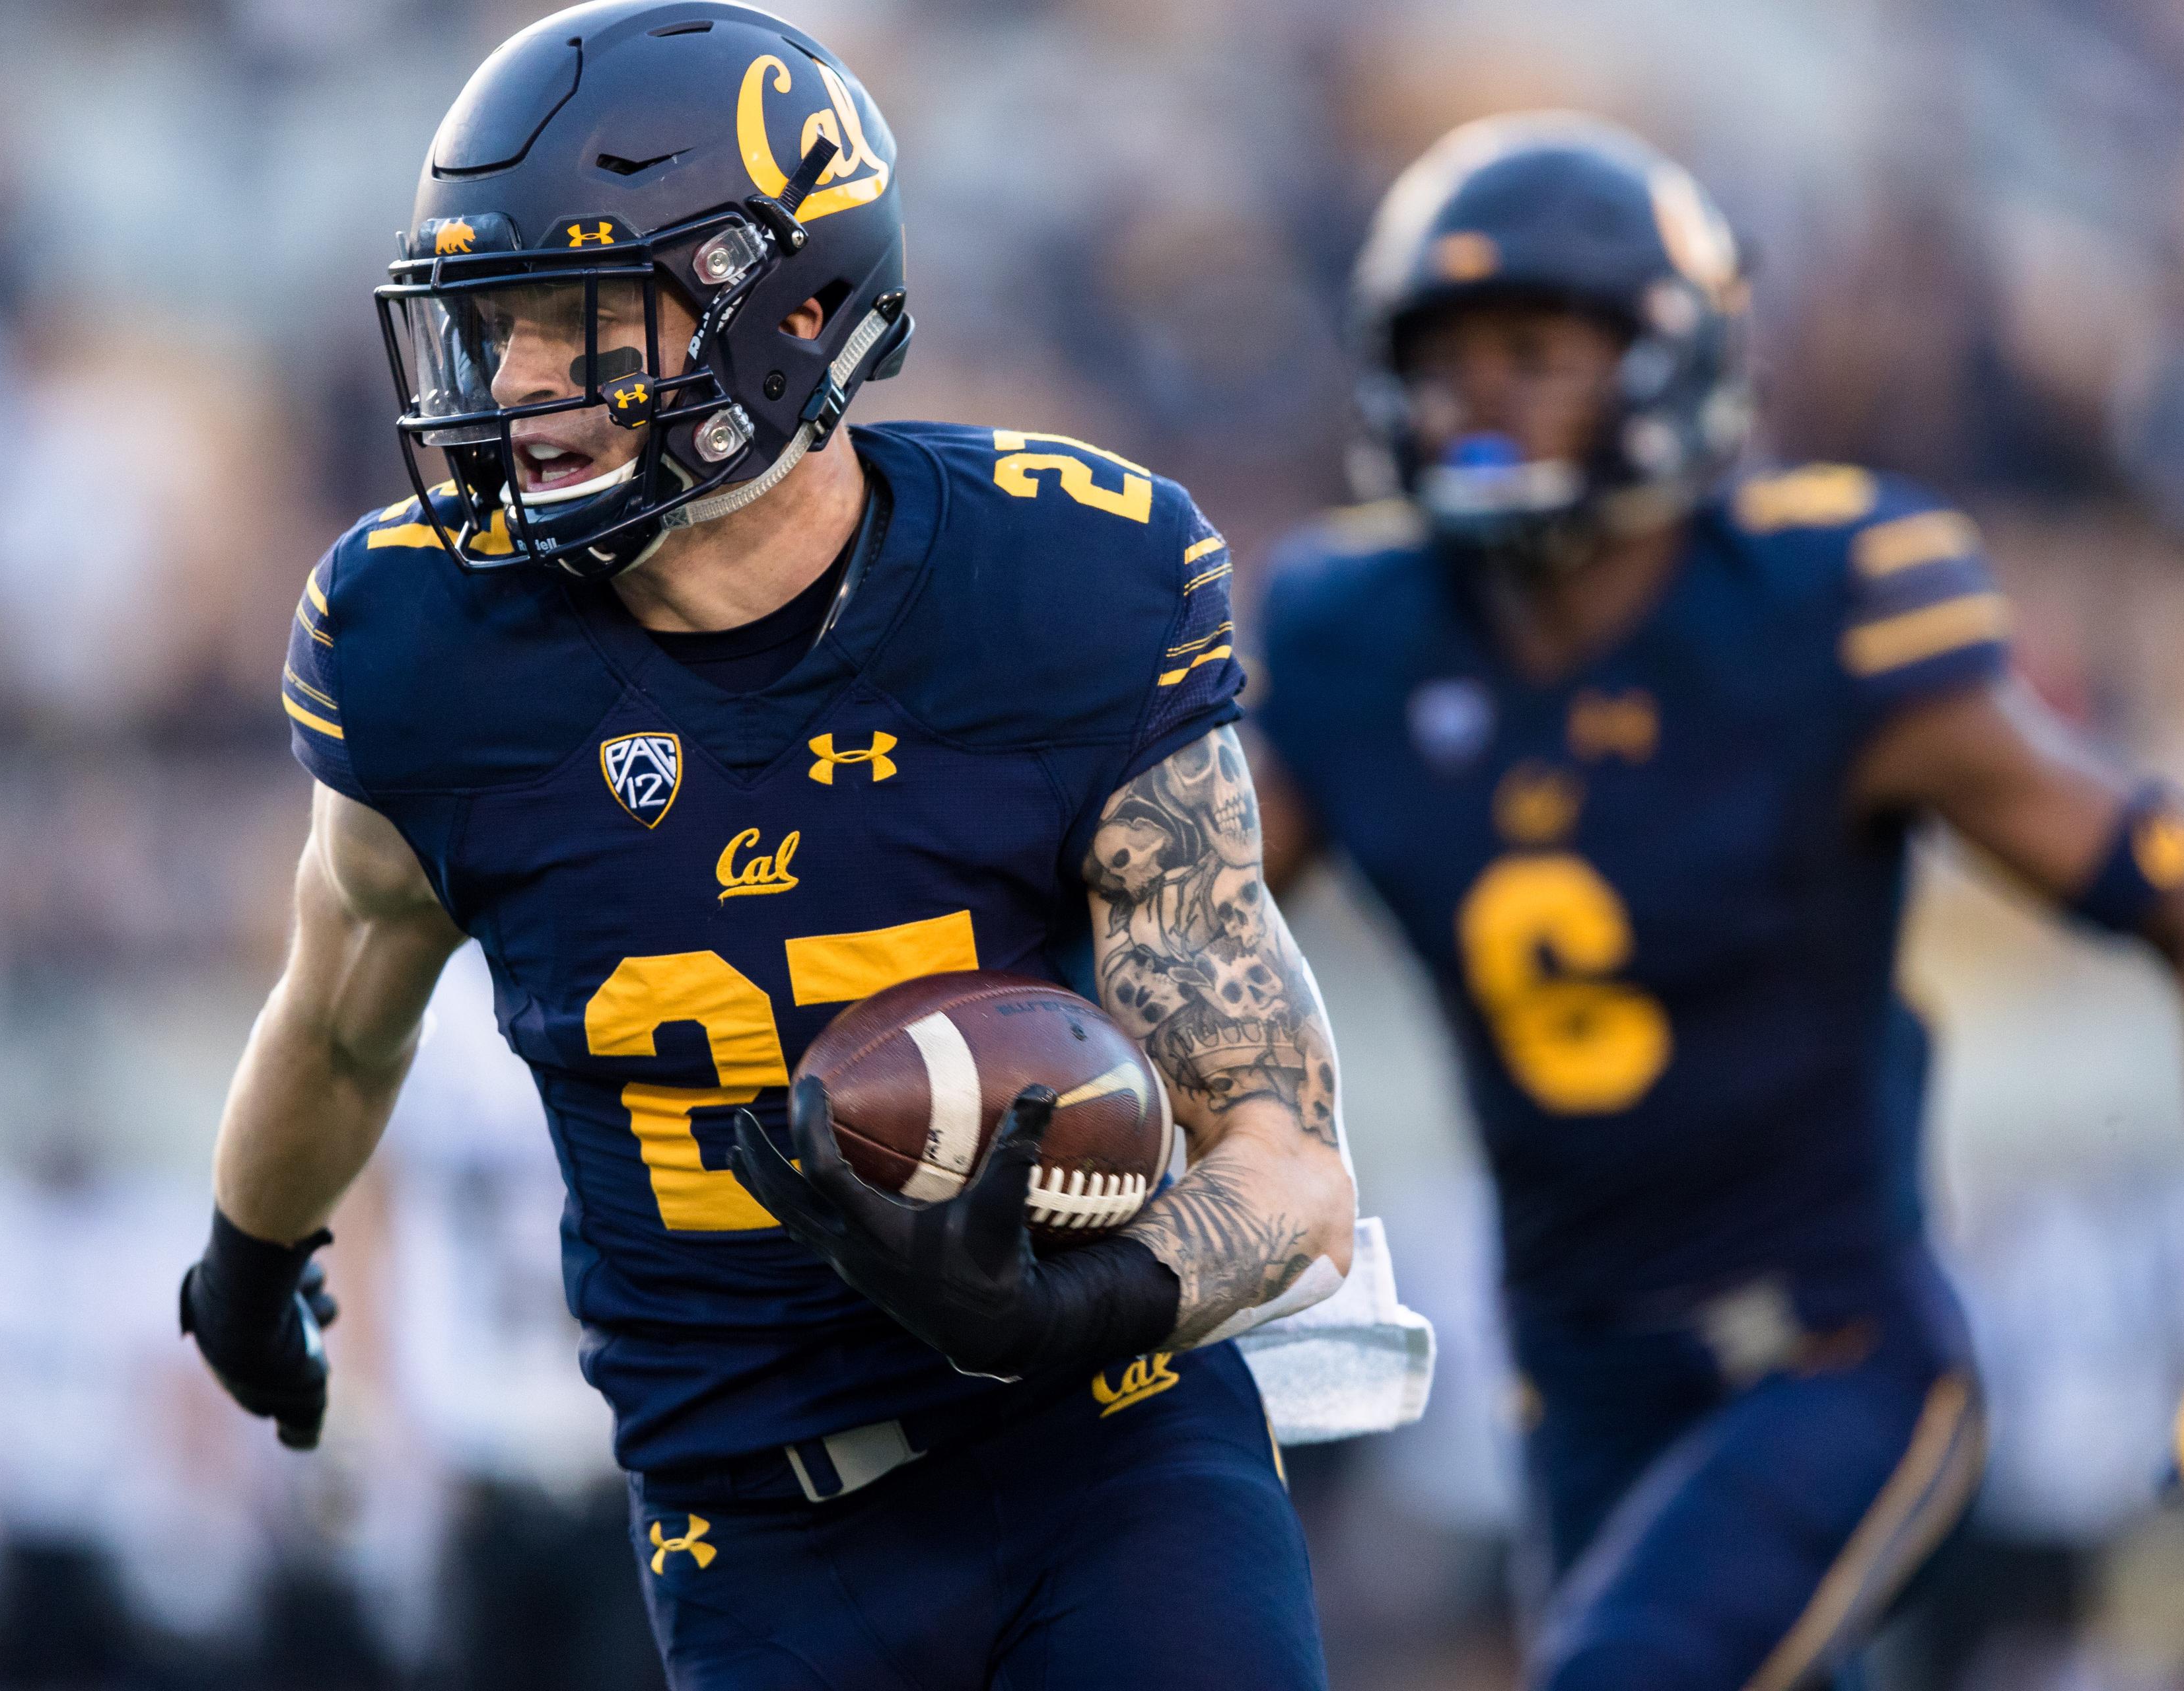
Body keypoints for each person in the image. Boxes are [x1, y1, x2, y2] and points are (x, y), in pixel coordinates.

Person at [176, 7, 1354, 1687]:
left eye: (575, 319)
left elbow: (1291, 1166)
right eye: (491, 326)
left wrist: (1070, 1308)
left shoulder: (1068, 587)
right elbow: (339, 1009)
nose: (514, 385)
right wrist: (248, 1255)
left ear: (792, 312)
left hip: (1112, 1451)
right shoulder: (419, 640)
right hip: (750, 1529)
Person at [1251, 112, 2184, 1690]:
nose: (1482, 392)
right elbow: (1175, 931)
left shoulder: (1821, 611)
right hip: (1578, 1367)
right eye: (1450, 349)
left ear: (1673, 361)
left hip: (1833, 1351)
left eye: (1537, 345)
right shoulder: (1357, 631)